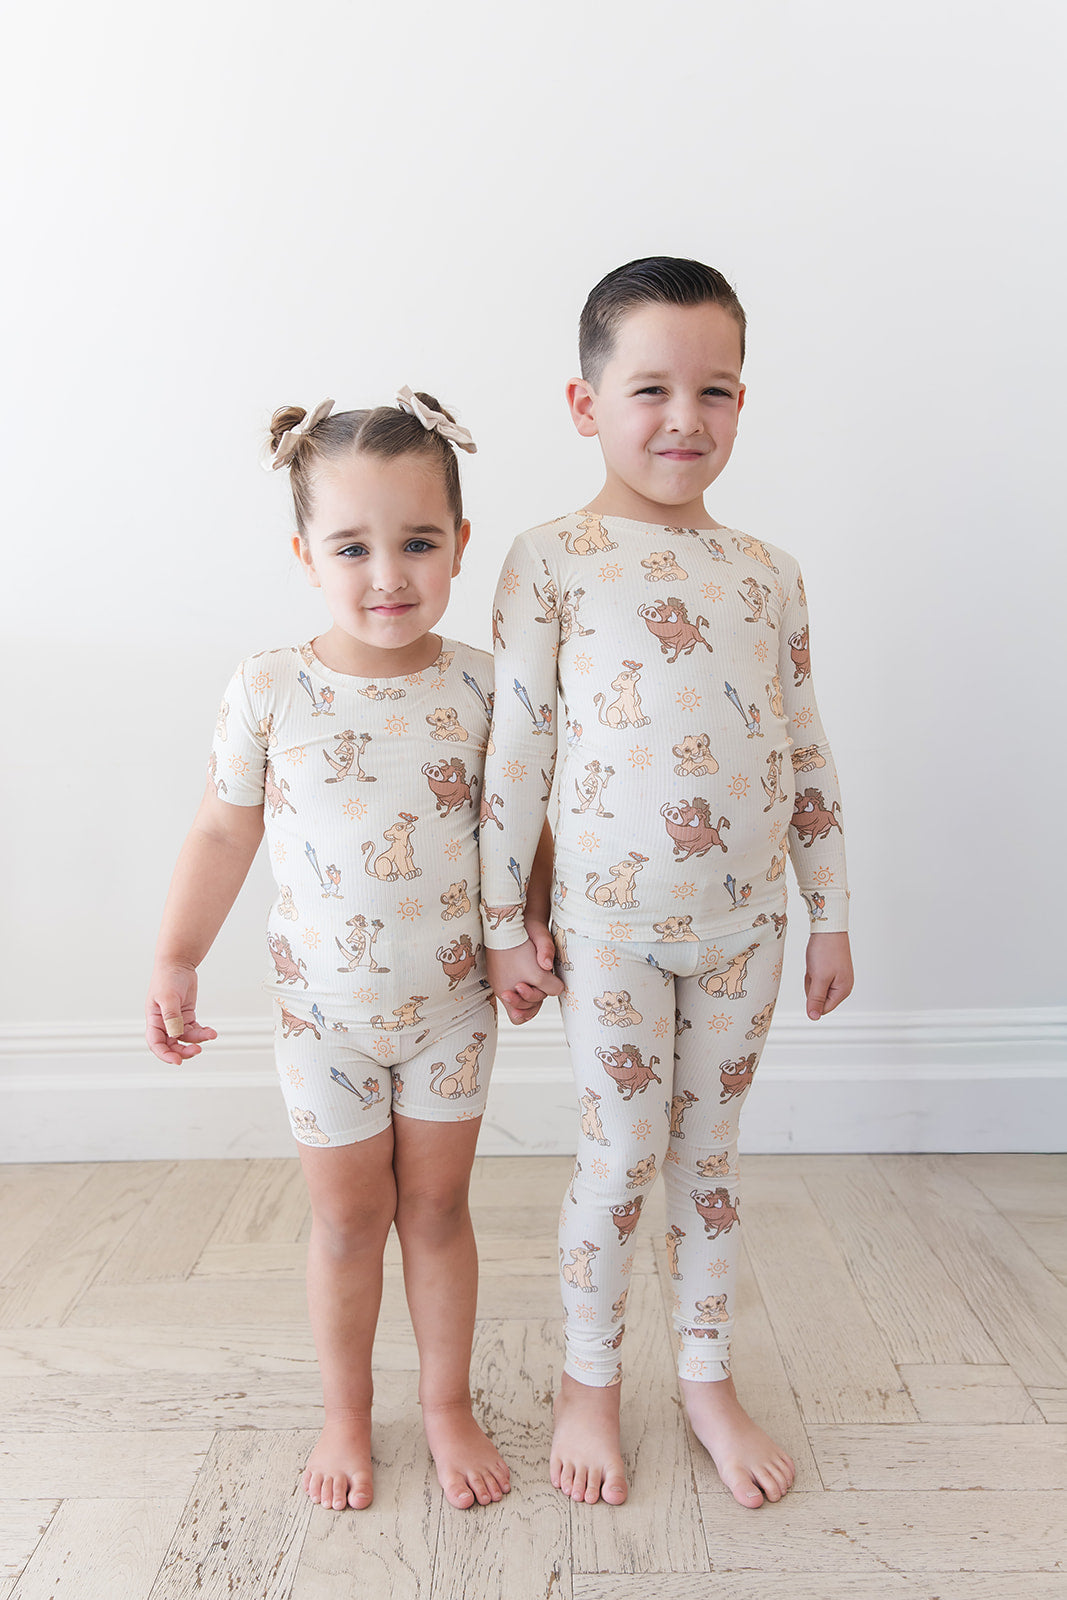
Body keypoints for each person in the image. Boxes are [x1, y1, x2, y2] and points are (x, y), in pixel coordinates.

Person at [481, 259, 854, 1509]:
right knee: (618, 1160)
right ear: (584, 403)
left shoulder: (767, 571)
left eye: (715, 390)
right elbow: (518, 752)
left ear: (742, 400)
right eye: (649, 388)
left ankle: (705, 1378)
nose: (683, 418)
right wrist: (502, 921)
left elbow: (803, 747)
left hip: (750, 927)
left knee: (709, 1164)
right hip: (608, 930)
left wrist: (829, 910)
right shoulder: (550, 559)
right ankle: (587, 1383)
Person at [146, 390, 559, 1513]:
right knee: (345, 1219)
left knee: (436, 1209)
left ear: (460, 544)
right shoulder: (270, 689)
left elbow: (523, 828)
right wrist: (177, 955)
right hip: (322, 1018)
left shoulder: (485, 686)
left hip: (453, 1009)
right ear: (304, 555)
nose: (388, 574)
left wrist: (532, 931)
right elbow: (222, 831)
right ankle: (344, 1413)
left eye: (418, 542)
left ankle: (446, 1404)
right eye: (351, 547)